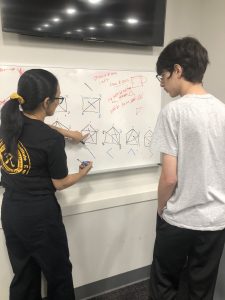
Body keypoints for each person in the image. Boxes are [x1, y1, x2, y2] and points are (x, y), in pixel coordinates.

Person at [0, 69, 93, 300]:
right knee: (59, 274)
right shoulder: (51, 141)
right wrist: (83, 173)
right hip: (41, 217)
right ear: (46, 102)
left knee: (24, 274)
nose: (58, 103)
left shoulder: (8, 123)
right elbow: (59, 183)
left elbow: (37, 128)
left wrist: (68, 132)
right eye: (58, 98)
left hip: (11, 211)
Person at [149, 37, 225, 300]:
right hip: (216, 221)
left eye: (163, 76)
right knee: (200, 290)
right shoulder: (223, 111)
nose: (162, 83)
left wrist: (161, 209)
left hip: (179, 219)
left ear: (178, 70)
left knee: (164, 285)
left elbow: (169, 178)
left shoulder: (173, 112)